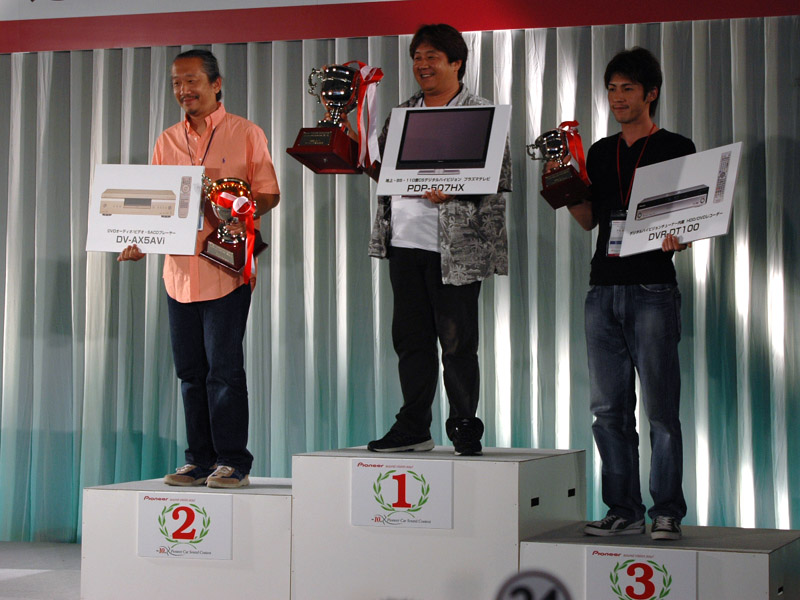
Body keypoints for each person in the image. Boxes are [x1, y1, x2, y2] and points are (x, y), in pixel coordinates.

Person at [345, 24, 511, 456]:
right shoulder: (402, 113)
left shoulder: (481, 113)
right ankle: (414, 426)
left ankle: (464, 425)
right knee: (410, 341)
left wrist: (453, 188)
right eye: (417, 57)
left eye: (432, 57)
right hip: (404, 242)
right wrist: (358, 146)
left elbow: (499, 176)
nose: (422, 65)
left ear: (457, 62)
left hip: (456, 251)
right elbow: (386, 173)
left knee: (458, 344)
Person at [118, 49, 280, 488]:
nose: (183, 90)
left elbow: (270, 193)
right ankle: (199, 460)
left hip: (226, 272)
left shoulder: (246, 133)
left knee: (223, 373)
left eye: (191, 80)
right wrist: (136, 239)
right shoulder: (167, 140)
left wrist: (243, 209)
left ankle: (233, 461)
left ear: (216, 84)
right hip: (179, 274)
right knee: (190, 374)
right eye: (176, 82)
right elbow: (155, 203)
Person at [559, 47, 694, 540]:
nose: (617, 98)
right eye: (612, 89)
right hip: (602, 289)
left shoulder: (676, 147)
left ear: (650, 94)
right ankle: (624, 509)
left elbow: (691, 215)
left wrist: (684, 236)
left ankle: (667, 512)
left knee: (661, 411)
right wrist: (562, 183)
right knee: (608, 411)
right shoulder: (599, 151)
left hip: (653, 286)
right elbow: (589, 220)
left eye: (628, 89)